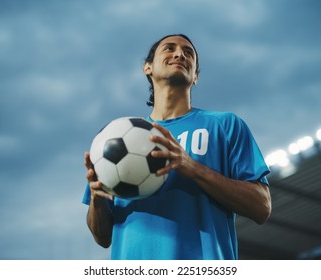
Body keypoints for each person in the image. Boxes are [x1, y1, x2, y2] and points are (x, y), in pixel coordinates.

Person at [83, 34, 271, 260]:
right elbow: (102, 238)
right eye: (169, 48)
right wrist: (97, 199)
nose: (180, 54)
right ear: (148, 67)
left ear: (196, 77)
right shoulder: (113, 136)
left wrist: (191, 167)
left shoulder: (225, 125)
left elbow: (262, 207)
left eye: (188, 53)